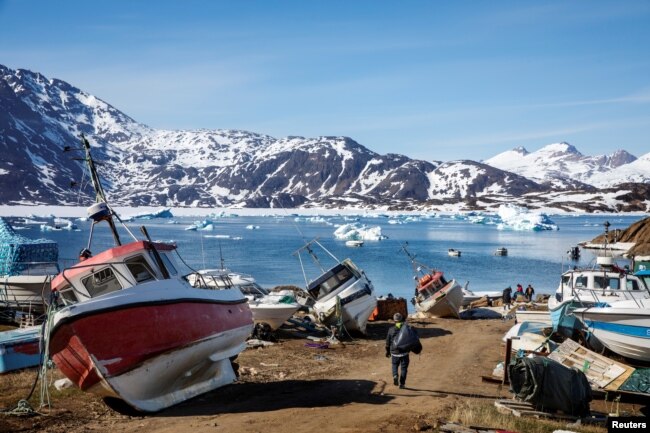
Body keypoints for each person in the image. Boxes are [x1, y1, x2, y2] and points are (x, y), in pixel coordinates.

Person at [385, 313, 410, 389]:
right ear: (401, 319)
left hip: (394, 352)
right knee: (404, 368)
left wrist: (388, 352)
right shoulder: (406, 328)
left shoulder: (391, 330)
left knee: (394, 365)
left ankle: (395, 375)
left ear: (394, 320)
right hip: (404, 352)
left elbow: (387, 343)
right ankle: (402, 384)